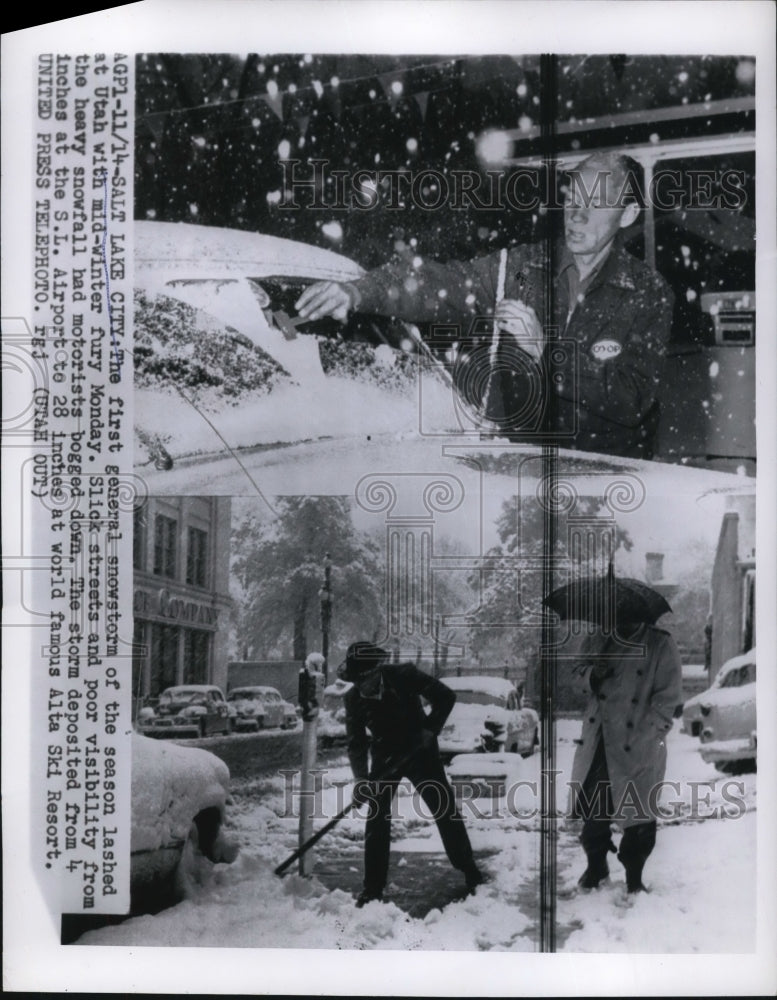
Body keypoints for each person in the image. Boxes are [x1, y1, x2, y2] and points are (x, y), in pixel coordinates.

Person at [295, 152, 674, 460]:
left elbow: (632, 399)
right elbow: (438, 282)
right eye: (573, 197)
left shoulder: (648, 293)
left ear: (626, 215)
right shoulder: (521, 268)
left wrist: (548, 353)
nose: (577, 214)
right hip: (520, 472)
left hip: (605, 478)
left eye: (596, 202)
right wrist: (360, 291)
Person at [339, 641, 484, 907]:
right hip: (384, 758)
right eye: (356, 680)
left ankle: (469, 869)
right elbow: (356, 743)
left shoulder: (404, 676)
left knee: (444, 809)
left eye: (366, 678)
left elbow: (446, 697)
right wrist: (361, 780)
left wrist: (430, 729)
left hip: (421, 752)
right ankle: (372, 888)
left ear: (377, 670)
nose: (362, 686)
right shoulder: (353, 699)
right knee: (377, 818)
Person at [568, 621, 683, 894]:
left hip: (638, 742)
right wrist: (592, 675)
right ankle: (596, 866)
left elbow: (669, 696)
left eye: (623, 611)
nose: (618, 615)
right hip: (601, 740)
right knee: (593, 812)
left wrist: (650, 731)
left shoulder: (660, 643)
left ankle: (634, 877)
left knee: (639, 816)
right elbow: (575, 676)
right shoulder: (598, 637)